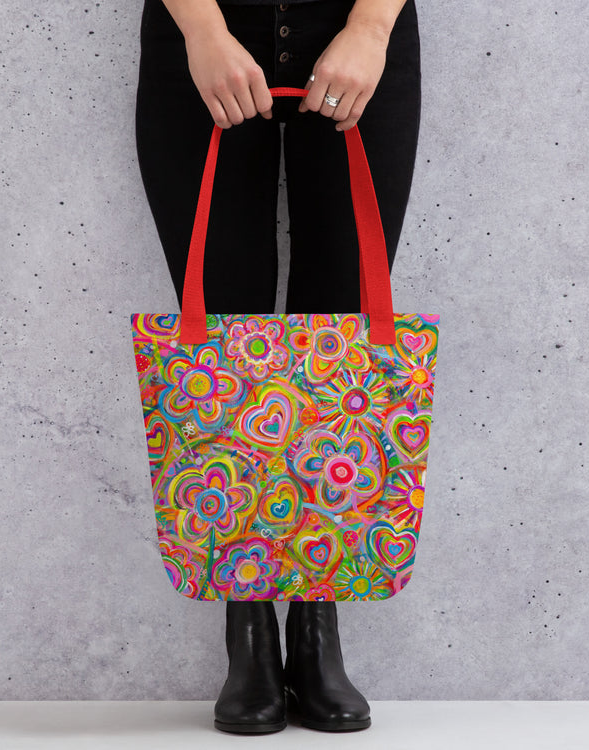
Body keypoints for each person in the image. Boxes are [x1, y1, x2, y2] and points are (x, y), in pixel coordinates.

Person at [134, 0, 422, 735]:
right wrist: (201, 30)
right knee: (223, 350)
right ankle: (251, 632)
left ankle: (315, 627)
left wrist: (372, 28)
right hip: (203, 30)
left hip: (358, 29)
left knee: (345, 357)